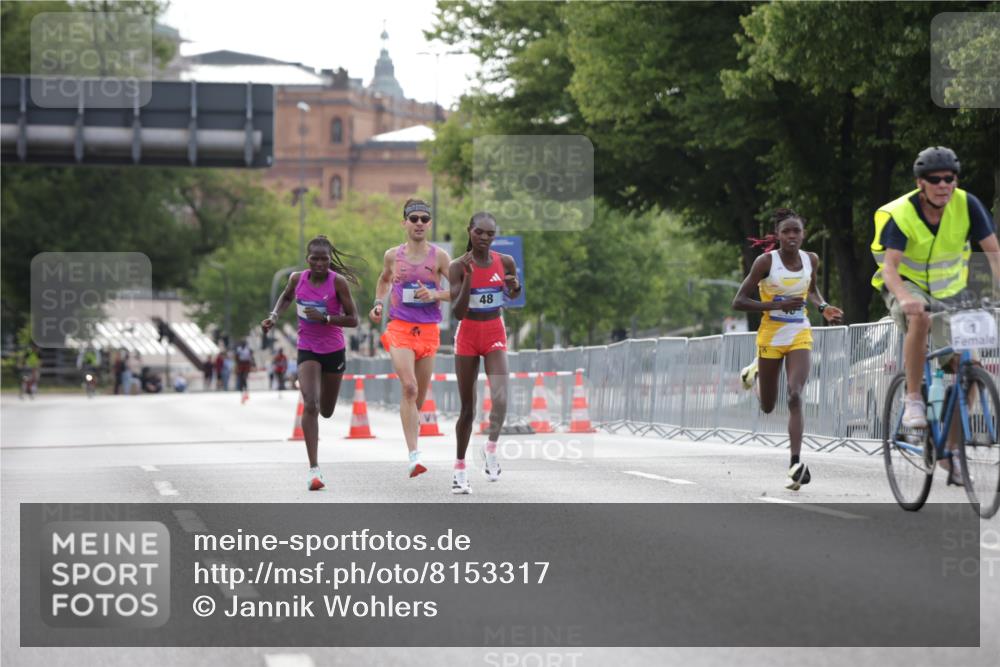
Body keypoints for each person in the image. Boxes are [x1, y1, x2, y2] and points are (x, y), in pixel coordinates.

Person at [870, 146, 1000, 485]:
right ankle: (913, 398)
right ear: (920, 182)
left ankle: (951, 451)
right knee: (919, 319)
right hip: (907, 286)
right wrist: (905, 299)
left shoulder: (968, 205)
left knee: (967, 370)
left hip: (949, 291)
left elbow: (994, 255)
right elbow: (891, 268)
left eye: (950, 178)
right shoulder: (904, 214)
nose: (943, 185)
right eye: (934, 179)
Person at [733, 208, 843, 490]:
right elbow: (740, 301)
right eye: (787, 232)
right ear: (778, 235)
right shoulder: (765, 262)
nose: (792, 236)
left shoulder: (811, 259)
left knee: (795, 395)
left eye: (797, 231)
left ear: (803, 234)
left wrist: (823, 307)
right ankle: (755, 374)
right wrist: (776, 305)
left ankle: (795, 464)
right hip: (770, 336)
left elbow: (811, 290)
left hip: (799, 334)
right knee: (768, 406)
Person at [262, 235, 360, 491]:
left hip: (334, 350)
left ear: (329, 260)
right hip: (307, 348)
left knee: (326, 410)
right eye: (314, 259)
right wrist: (273, 317)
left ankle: (316, 453)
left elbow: (353, 319)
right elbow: (285, 298)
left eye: (324, 259)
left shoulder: (337, 283)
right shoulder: (297, 279)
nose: (319, 263)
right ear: (307, 259)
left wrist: (326, 318)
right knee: (311, 404)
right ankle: (314, 469)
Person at [370, 198, 452, 478]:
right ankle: (414, 455)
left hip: (428, 330)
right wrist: (379, 303)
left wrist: (436, 294)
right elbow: (383, 280)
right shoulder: (392, 256)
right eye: (413, 218)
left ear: (429, 224)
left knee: (417, 398)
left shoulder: (439, 257)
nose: (419, 223)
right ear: (404, 222)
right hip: (400, 327)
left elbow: (461, 289)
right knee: (409, 388)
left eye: (424, 219)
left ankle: (410, 425)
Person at [449, 212, 522, 494]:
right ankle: (459, 469)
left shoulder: (504, 262)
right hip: (467, 336)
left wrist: (515, 287)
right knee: (467, 409)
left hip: (494, 332)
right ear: (470, 231)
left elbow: (513, 292)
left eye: (490, 234)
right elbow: (457, 312)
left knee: (501, 398)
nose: (484, 238)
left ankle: (491, 448)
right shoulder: (457, 266)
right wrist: (468, 279)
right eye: (479, 232)